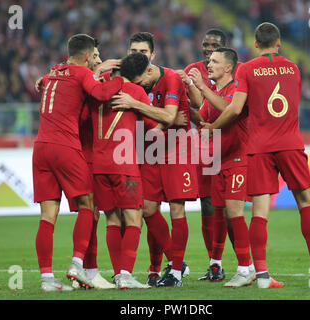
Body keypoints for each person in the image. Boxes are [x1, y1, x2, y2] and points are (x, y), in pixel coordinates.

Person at [202, 22, 310, 289]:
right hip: (290, 142)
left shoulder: (247, 69)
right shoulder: (294, 67)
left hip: (259, 146)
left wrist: (212, 127)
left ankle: (261, 274)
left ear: (255, 44)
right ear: (278, 43)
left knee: (259, 213)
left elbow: (236, 108)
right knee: (305, 201)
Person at [33, 34, 124, 292]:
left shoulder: (53, 72)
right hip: (65, 147)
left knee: (47, 216)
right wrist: (121, 78)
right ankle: (76, 265)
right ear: (87, 57)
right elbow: (103, 93)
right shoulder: (81, 74)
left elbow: (49, 82)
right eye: (93, 56)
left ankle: (47, 279)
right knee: (89, 204)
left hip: (40, 148)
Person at [111, 32, 196, 287]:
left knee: (177, 209)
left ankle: (177, 273)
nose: (137, 55)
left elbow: (170, 117)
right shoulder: (128, 77)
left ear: (152, 57)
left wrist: (136, 105)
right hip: (148, 151)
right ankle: (176, 261)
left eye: (142, 52)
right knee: (147, 209)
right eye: (133, 51)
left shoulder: (170, 78)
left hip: (177, 150)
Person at [177, 29, 241, 280]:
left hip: (230, 144)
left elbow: (233, 108)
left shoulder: (236, 71)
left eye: (214, 46)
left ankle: (247, 263)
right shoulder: (192, 69)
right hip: (203, 144)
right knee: (207, 202)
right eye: (205, 44)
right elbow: (192, 108)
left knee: (230, 208)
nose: (208, 49)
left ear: (224, 50)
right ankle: (215, 263)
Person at [91, 53, 158, 289]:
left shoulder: (97, 88)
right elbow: (155, 129)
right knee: (133, 219)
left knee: (111, 219)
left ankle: (119, 274)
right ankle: (125, 275)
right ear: (139, 75)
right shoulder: (137, 92)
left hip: (98, 166)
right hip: (124, 166)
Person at [190, 47, 255, 286]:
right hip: (218, 161)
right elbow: (204, 120)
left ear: (228, 67)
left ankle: (246, 268)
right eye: (209, 61)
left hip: (238, 159)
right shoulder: (215, 91)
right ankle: (227, 264)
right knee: (222, 215)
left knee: (234, 213)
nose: (208, 64)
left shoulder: (237, 87)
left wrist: (202, 88)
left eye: (215, 61)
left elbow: (228, 111)